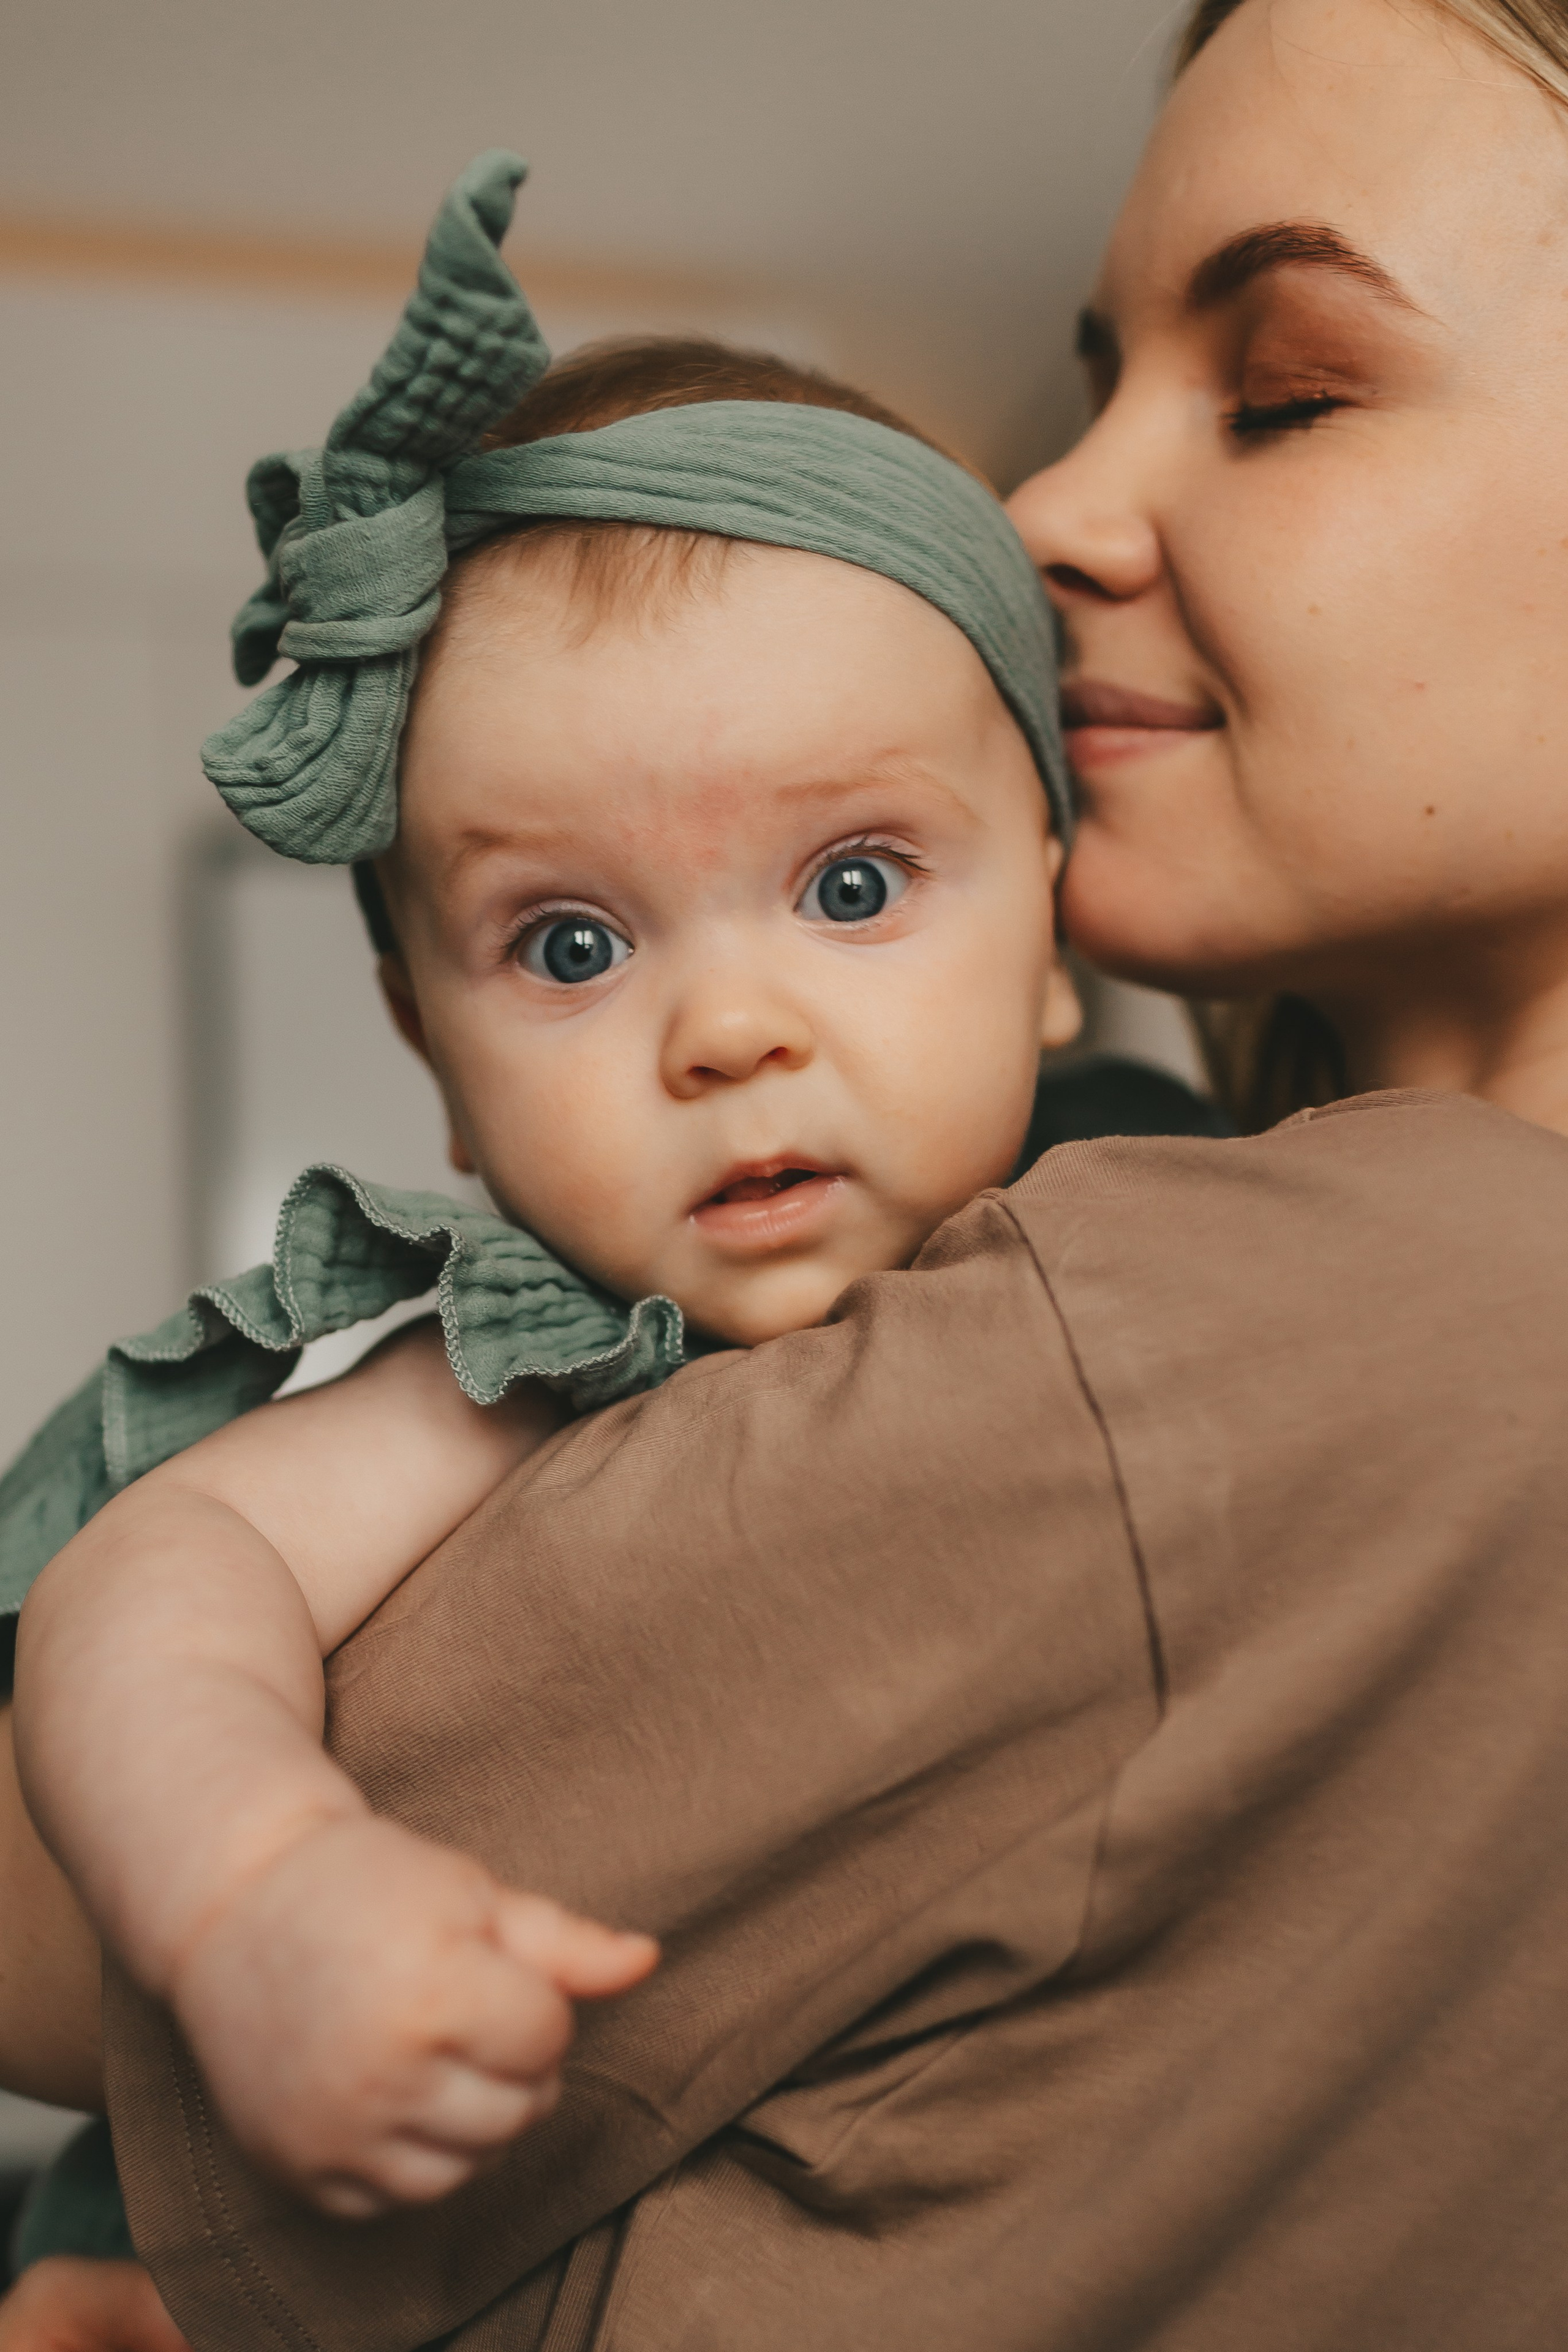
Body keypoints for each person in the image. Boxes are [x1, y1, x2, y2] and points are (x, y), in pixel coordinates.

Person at [14, 0, 1568, 2342]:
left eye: (1279, 389)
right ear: (428, 1066)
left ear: (1038, 925)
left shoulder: (1312, 1306)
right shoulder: (603, 1327)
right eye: (566, 939)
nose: (1043, 505)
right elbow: (177, 1570)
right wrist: (253, 1892)